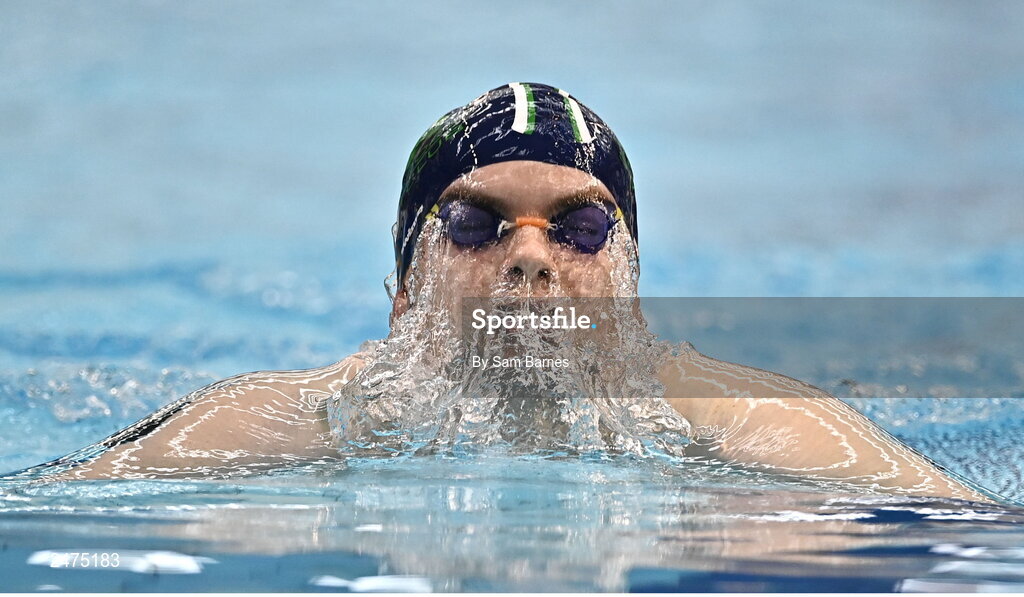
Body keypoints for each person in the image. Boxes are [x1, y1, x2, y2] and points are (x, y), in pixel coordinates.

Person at [25, 83, 988, 501]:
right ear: (403, 288)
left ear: (632, 287)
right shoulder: (276, 424)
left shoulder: (755, 426)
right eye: (475, 224)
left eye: (580, 228)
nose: (530, 260)